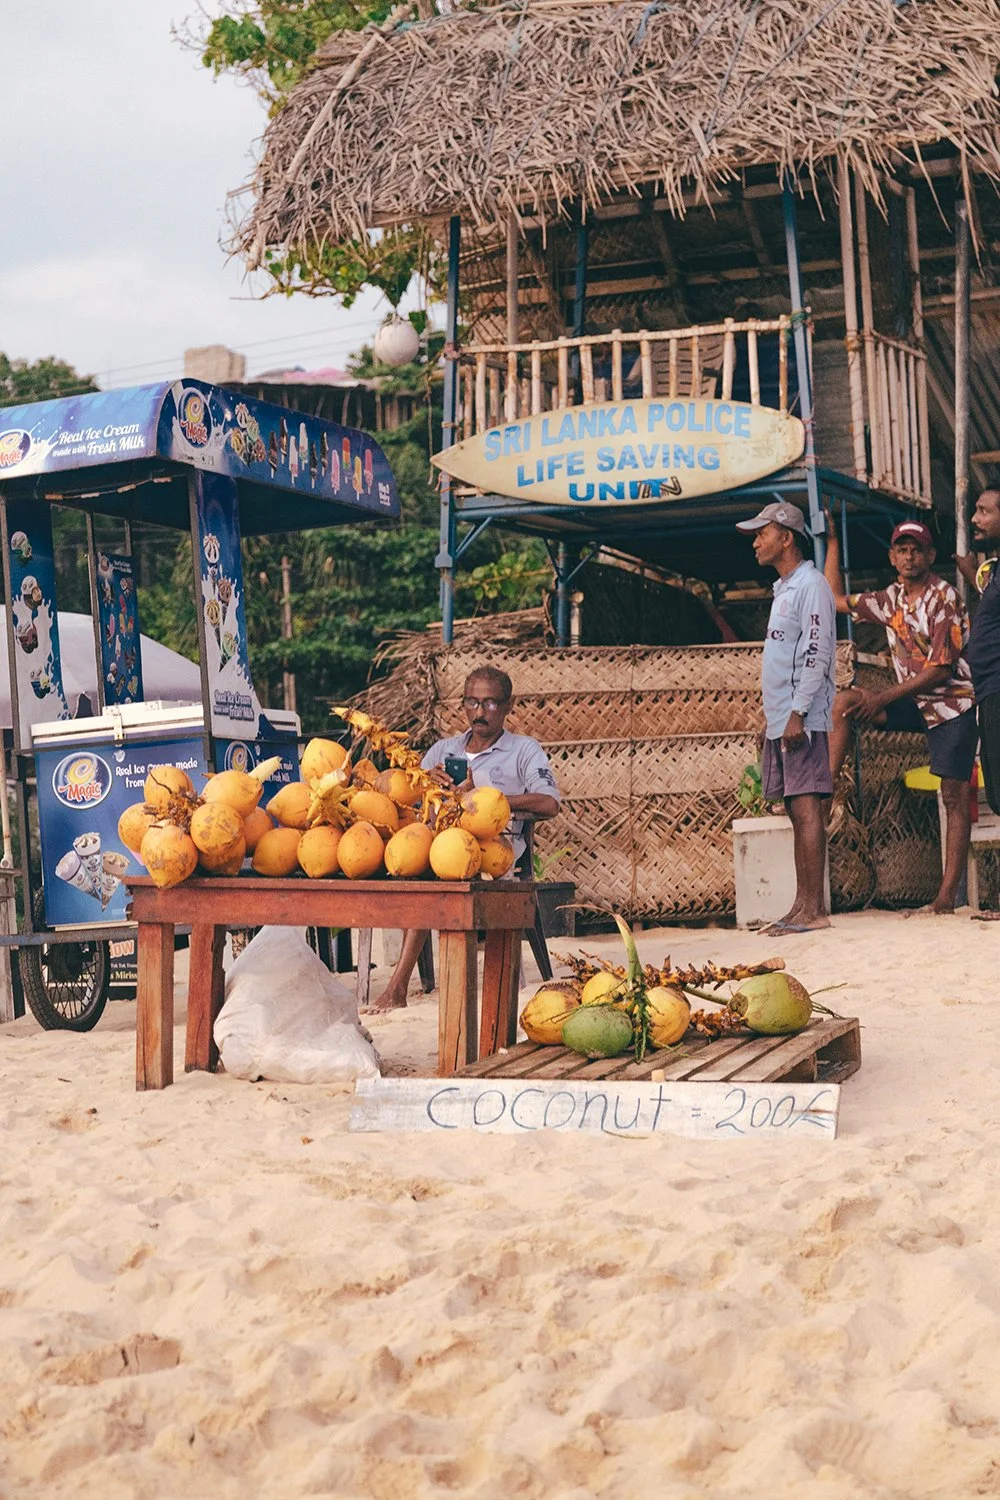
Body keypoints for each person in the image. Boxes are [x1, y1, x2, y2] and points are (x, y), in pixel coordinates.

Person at [365, 665, 561, 1013]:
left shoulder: (523, 750)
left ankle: (397, 988)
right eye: (472, 703)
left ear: (508, 705)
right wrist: (428, 784)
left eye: (490, 704)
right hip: (442, 843)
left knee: (438, 869)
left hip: (495, 849)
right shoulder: (443, 750)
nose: (479, 712)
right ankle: (398, 986)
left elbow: (549, 802)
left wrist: (488, 799)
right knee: (416, 863)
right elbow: (410, 804)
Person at [824, 515, 976, 915]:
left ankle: (944, 899)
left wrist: (884, 698)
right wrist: (834, 541)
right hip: (914, 703)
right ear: (893, 557)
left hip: (952, 703)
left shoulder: (943, 598)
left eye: (917, 550)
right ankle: (825, 795)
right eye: (902, 550)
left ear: (930, 555)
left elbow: (942, 669)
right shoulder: (890, 599)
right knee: (845, 703)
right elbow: (832, 598)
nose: (910, 557)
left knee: (954, 795)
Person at [736, 501, 836, 934]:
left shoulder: (811, 584)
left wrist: (796, 712)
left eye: (763, 533)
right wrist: (777, 716)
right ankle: (801, 907)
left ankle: (813, 911)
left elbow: (817, 651)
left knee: (808, 807)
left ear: (786, 537)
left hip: (804, 716)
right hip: (785, 717)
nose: (756, 542)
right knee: (797, 810)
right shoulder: (787, 588)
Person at [957, 491, 1000, 917]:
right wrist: (974, 577)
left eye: (985, 511)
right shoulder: (995, 573)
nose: (974, 518)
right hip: (990, 689)